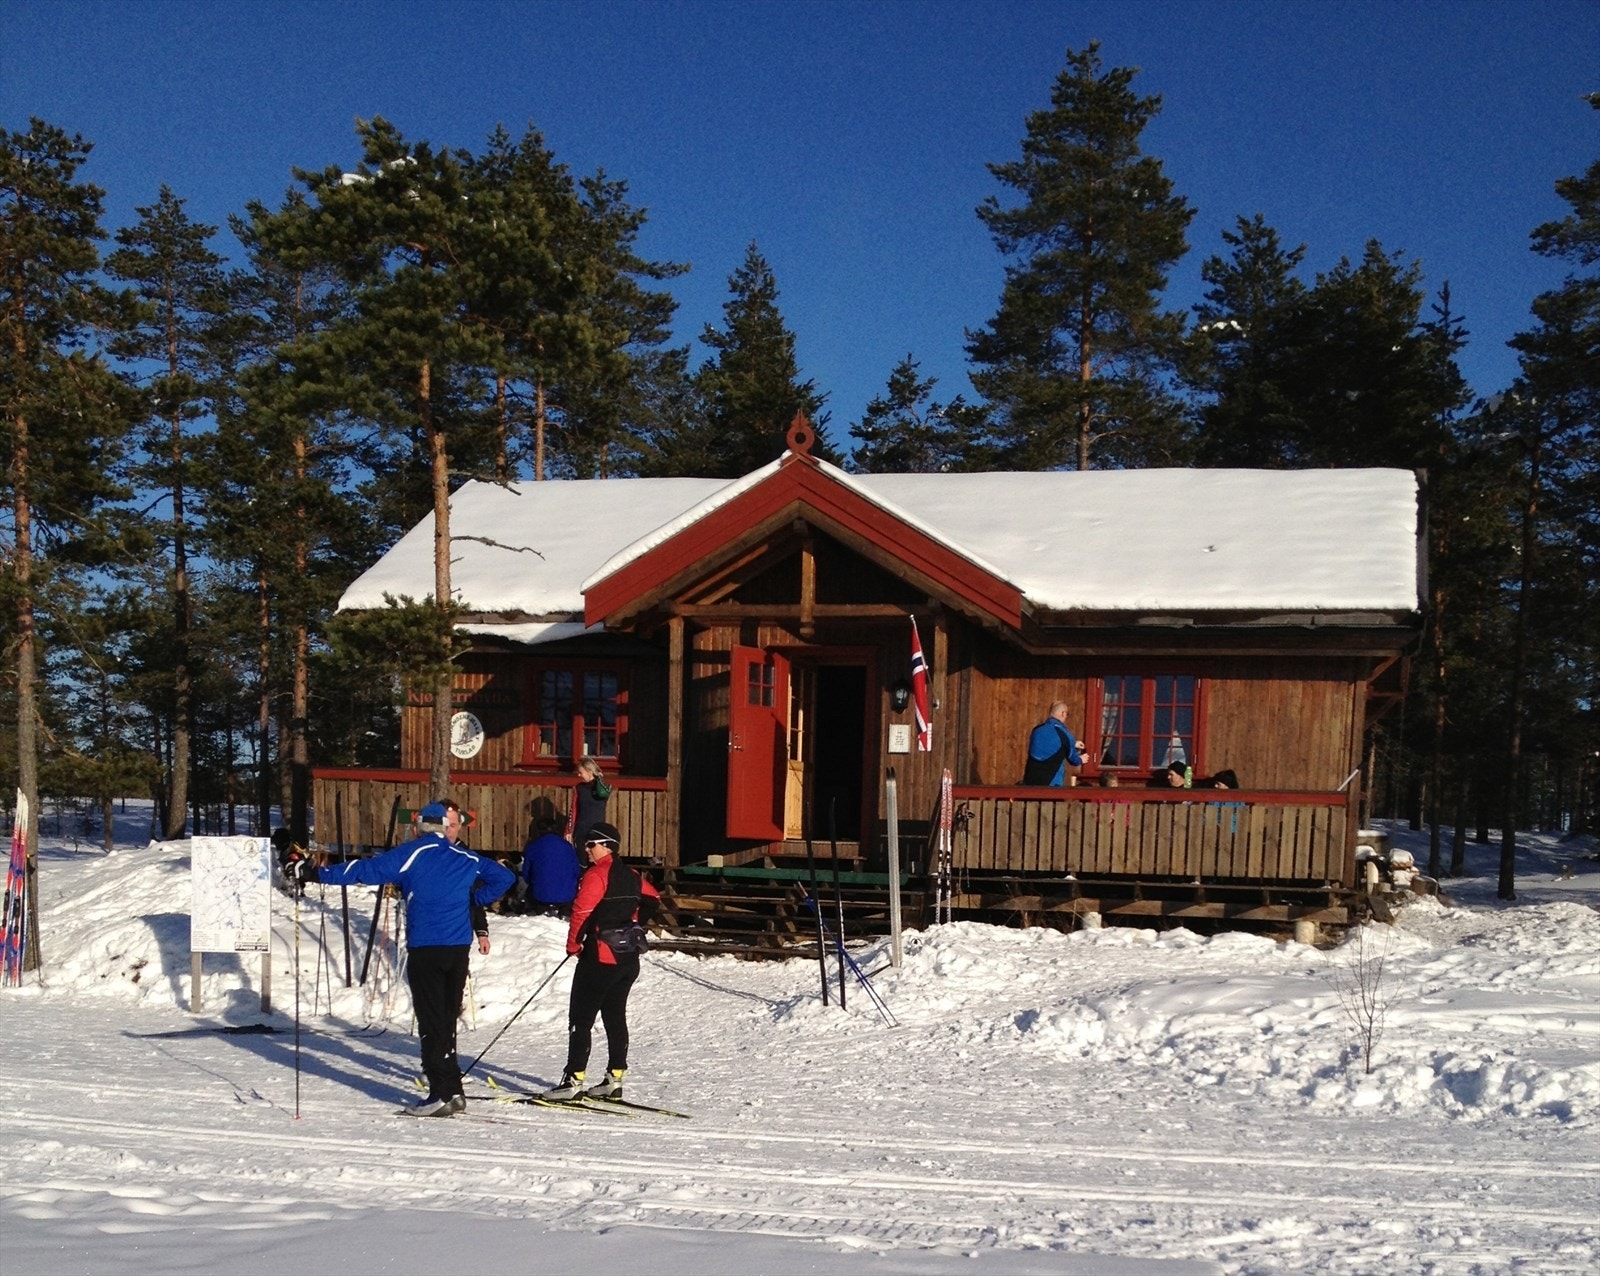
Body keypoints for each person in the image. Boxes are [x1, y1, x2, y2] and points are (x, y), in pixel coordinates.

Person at [294, 799, 515, 1117]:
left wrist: (316, 874)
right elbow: (504, 878)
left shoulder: (413, 853)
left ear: (420, 826)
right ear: (444, 827)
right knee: (446, 1018)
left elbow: (364, 871)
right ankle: (453, 1089)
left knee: (430, 1020)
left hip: (426, 947)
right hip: (457, 949)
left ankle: (440, 1093)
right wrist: (470, 900)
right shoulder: (465, 856)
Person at [544, 821, 660, 1102]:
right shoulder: (632, 875)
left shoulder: (597, 874)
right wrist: (632, 922)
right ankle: (614, 1079)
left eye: (591, 845)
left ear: (608, 846)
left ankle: (573, 1081)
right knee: (615, 1017)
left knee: (581, 1019)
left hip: (600, 957)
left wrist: (573, 945)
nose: (586, 850)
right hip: (627, 959)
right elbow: (653, 898)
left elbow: (581, 912)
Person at [521, 817, 581, 916]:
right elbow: (576, 871)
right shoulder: (567, 846)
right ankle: (564, 911)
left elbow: (526, 874)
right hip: (567, 894)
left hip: (540, 895)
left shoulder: (533, 847)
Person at [1020, 702, 1086, 787]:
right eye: (1067, 714)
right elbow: (1073, 760)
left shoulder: (1036, 730)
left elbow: (1047, 746)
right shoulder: (1065, 734)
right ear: (1063, 713)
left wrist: (1073, 744)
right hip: (1052, 782)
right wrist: (1081, 759)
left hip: (1030, 781)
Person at [567, 756, 612, 843]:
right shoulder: (579, 788)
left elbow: (604, 793)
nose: (579, 775)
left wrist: (599, 778)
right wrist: (569, 831)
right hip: (581, 830)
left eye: (581, 772)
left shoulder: (602, 788)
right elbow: (574, 810)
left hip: (597, 830)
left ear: (589, 772)